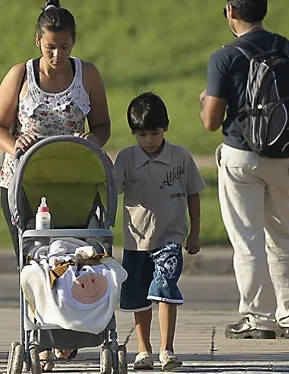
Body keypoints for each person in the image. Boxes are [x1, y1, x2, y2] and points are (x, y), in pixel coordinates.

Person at [0, 0, 111, 370]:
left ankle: (67, 332)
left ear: (74, 43)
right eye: (50, 47)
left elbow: (103, 125)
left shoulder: (87, 75)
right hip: (23, 181)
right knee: (32, 261)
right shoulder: (20, 75)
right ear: (38, 43)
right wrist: (14, 144)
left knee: (71, 257)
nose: (57, 55)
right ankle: (38, 335)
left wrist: (94, 140)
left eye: (65, 47)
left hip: (71, 183)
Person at [199, 0, 289, 339]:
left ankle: (257, 319)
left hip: (242, 157)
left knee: (248, 240)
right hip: (285, 158)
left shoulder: (225, 57)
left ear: (231, 11)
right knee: (284, 238)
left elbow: (210, 122)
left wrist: (202, 102)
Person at [113, 92, 207, 371]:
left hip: (171, 238)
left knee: (165, 287)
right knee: (140, 296)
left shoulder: (180, 157)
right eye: (142, 134)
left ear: (165, 127)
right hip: (136, 240)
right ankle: (144, 350)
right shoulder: (127, 159)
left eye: (154, 132)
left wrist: (195, 233)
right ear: (133, 133)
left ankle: (167, 349)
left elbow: (193, 194)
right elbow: (111, 191)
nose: (149, 140)